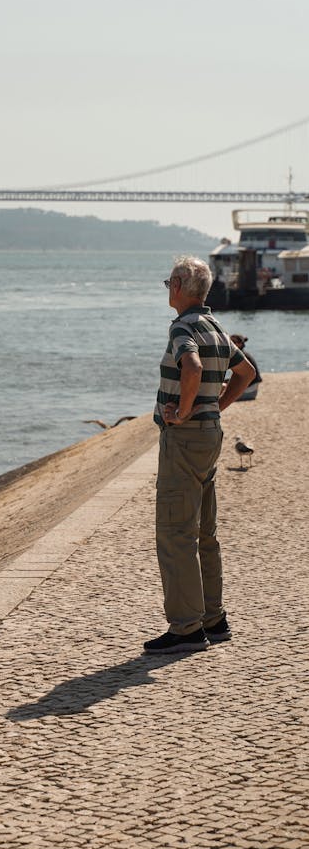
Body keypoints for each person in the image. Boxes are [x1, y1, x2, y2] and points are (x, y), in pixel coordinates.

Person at [144, 256, 255, 655]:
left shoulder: (184, 327)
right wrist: (215, 407)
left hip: (185, 437)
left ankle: (187, 629)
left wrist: (187, 409)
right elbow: (245, 373)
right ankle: (213, 617)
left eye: (167, 283)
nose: (166, 290)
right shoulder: (217, 327)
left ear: (178, 285)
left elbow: (190, 366)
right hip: (210, 436)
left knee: (175, 532)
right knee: (205, 530)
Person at [230, 334, 262, 400]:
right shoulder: (244, 354)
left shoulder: (240, 356)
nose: (230, 344)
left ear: (240, 344)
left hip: (249, 391)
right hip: (252, 389)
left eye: (233, 342)